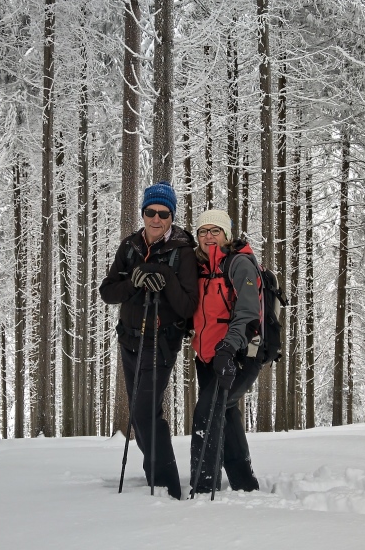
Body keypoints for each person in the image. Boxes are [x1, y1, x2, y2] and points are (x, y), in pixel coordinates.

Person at [98, 181, 197, 500]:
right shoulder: (130, 246)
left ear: (172, 216)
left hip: (161, 344)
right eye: (150, 212)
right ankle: (156, 473)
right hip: (129, 342)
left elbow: (188, 306)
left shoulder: (183, 251)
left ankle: (168, 485)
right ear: (143, 213)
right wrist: (134, 280)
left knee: (144, 414)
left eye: (163, 213)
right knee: (139, 416)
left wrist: (165, 277)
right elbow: (107, 292)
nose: (156, 219)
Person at [189, 209, 262, 494]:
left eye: (215, 231)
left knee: (206, 413)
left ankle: (203, 487)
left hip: (239, 356)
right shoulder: (200, 268)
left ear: (226, 235)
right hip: (207, 358)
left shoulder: (239, 264)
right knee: (225, 411)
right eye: (203, 231)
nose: (208, 236)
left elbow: (248, 313)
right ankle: (245, 483)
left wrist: (228, 349)